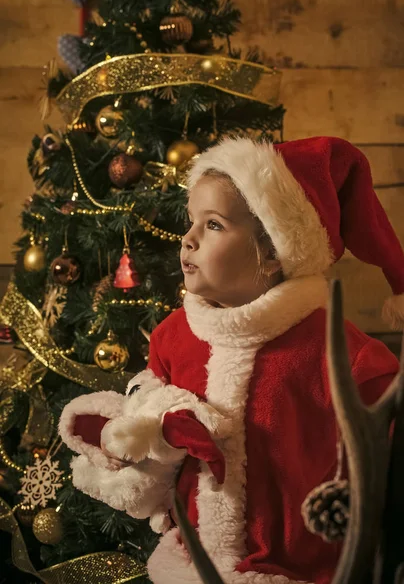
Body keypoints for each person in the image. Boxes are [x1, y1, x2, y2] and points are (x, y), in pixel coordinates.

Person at [60, 136, 404, 584]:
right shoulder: (173, 335)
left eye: (215, 225)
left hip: (303, 572)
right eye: (191, 222)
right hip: (189, 563)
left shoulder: (341, 354)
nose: (188, 239)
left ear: (273, 252)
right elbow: (152, 422)